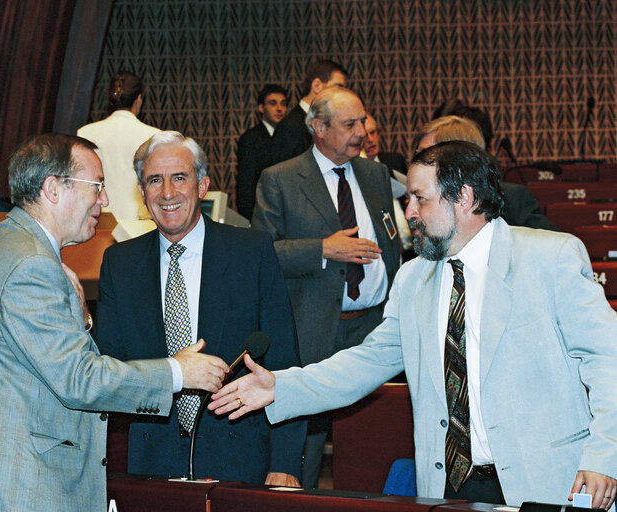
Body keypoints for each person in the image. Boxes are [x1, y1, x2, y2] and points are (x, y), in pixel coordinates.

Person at [211, 141, 617, 508]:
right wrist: (282, 386)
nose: (408, 213)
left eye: (419, 199)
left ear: (465, 199)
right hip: (450, 487)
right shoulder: (413, 278)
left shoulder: (551, 258)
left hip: (547, 483)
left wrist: (603, 458)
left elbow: (610, 362)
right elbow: (367, 362)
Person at [0, 134, 229, 511]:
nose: (105, 200)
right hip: (10, 489)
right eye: (96, 186)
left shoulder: (8, 248)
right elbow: (79, 380)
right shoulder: (31, 265)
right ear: (52, 189)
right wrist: (178, 373)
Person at [97, 131, 305, 486]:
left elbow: (285, 363)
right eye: (154, 180)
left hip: (238, 461)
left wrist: (285, 462)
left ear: (203, 184)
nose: (167, 193)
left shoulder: (251, 253)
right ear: (142, 192)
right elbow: (108, 369)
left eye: (179, 177)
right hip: (150, 463)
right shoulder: (120, 263)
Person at [251, 86, 401, 487]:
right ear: (319, 128)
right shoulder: (280, 179)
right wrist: (322, 249)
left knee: (374, 436)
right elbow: (262, 256)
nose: (362, 131)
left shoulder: (375, 173)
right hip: (315, 327)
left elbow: (389, 237)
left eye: (363, 121)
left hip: (373, 325)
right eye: (349, 124)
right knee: (309, 434)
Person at [417, 115, 558, 231]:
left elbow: (553, 246)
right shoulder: (418, 202)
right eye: (418, 154)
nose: (416, 162)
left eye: (426, 154)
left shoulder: (511, 199)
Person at [77, 70, 159, 220]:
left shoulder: (85, 134)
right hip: (140, 226)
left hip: (98, 223)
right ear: (139, 99)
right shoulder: (154, 137)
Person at [269, 59, 348, 165]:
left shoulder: (326, 122)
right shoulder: (290, 126)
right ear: (316, 86)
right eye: (338, 87)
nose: (342, 94)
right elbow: (285, 175)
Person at [362, 113, 413, 256]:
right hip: (378, 249)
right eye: (365, 135)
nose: (370, 140)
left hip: (410, 246)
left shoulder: (394, 161)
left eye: (373, 133)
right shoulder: (355, 171)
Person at [236, 84, 288, 219]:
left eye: (283, 104)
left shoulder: (290, 137)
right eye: (273, 103)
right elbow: (246, 184)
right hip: (259, 212)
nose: (279, 108)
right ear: (261, 108)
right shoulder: (250, 139)